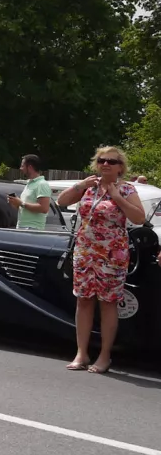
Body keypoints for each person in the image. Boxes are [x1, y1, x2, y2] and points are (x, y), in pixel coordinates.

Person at [56, 146, 147, 374]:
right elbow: (61, 201)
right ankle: (81, 353)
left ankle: (105, 355)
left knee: (108, 303)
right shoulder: (90, 186)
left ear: (120, 167)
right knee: (84, 300)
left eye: (111, 161)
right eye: (102, 160)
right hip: (85, 250)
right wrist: (81, 185)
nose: (105, 164)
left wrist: (117, 198)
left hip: (112, 253)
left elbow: (139, 218)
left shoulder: (126, 189)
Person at [8, 154, 53, 229]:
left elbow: (44, 208)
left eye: (22, 166)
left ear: (30, 167)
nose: (20, 168)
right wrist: (15, 203)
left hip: (33, 228)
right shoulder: (29, 184)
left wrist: (21, 203)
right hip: (22, 227)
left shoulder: (42, 184)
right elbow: (24, 207)